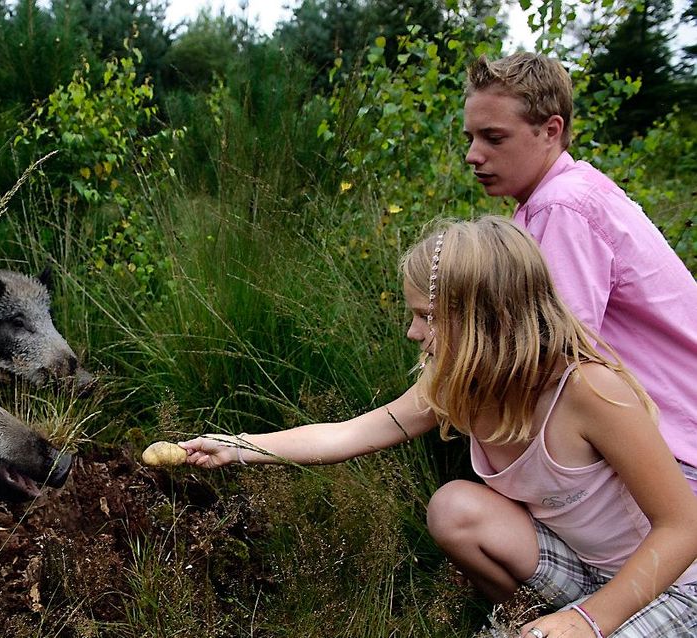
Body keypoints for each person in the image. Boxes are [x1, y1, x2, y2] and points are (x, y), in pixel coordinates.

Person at [179, 216, 697, 637]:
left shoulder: (591, 392)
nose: (412, 332)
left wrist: (588, 620)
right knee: (453, 507)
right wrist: (239, 446)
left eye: (426, 316)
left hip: (671, 580)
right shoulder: (457, 384)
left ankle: (568, 622)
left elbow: (684, 527)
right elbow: (350, 433)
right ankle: (530, 620)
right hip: (581, 562)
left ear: (485, 316)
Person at [462, 52, 697, 495]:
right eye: (471, 137)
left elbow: (555, 356)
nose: (473, 155)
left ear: (551, 130)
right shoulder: (547, 202)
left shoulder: (562, 206)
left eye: (493, 137)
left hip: (677, 447)